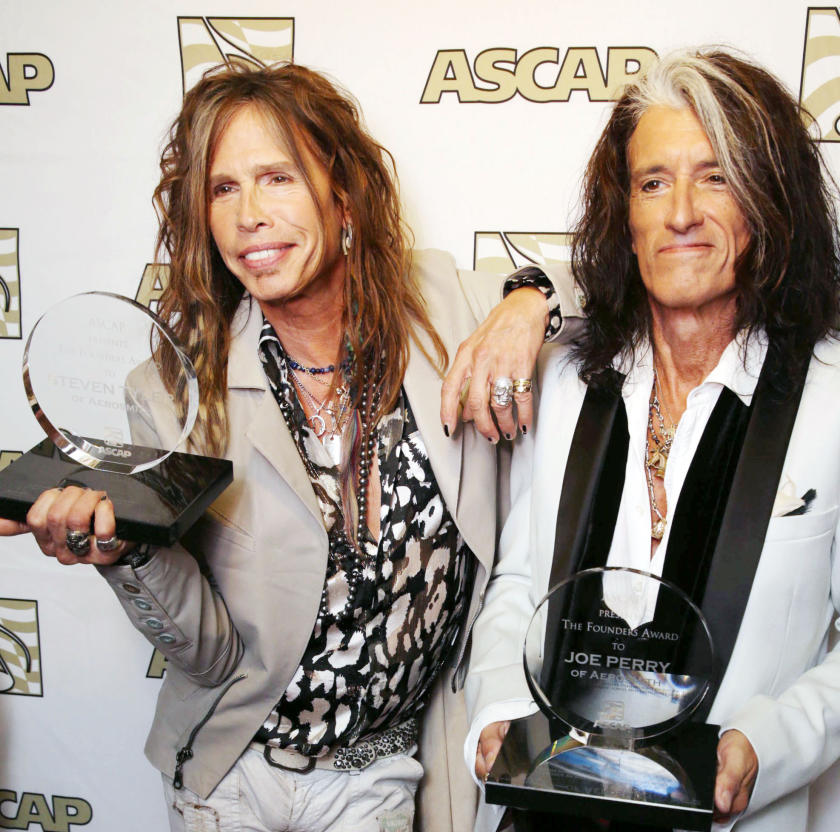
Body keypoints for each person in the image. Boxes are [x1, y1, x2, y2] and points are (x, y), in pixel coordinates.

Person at [0, 63, 581, 832]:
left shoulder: (446, 305)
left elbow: (611, 287)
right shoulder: (174, 392)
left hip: (380, 774)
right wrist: (125, 554)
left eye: (276, 177)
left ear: (341, 192)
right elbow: (207, 658)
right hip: (232, 777)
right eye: (223, 188)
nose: (248, 215)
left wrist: (527, 303)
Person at [465, 48, 840, 832]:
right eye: (653, 183)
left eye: (715, 177)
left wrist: (767, 741)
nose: (681, 212)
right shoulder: (569, 381)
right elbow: (518, 581)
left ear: (767, 202)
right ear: (627, 216)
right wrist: (501, 710)